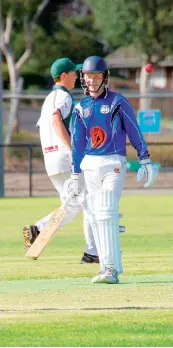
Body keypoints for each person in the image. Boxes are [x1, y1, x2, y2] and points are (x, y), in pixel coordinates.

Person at [69, 56, 158, 284]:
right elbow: (78, 142)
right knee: (97, 217)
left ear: (105, 78)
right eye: (88, 77)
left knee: (106, 210)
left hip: (113, 163)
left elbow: (133, 129)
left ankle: (110, 270)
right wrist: (74, 173)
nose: (91, 82)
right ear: (82, 78)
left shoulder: (118, 102)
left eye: (96, 77)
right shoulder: (81, 107)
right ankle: (109, 267)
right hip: (90, 165)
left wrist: (144, 158)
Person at [23, 57, 99, 263]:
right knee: (89, 201)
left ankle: (37, 229)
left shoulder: (48, 99)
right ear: (64, 76)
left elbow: (45, 125)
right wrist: (73, 149)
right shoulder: (62, 96)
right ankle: (92, 252)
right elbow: (56, 120)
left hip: (51, 160)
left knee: (73, 205)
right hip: (65, 159)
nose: (76, 76)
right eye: (74, 73)